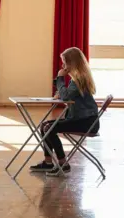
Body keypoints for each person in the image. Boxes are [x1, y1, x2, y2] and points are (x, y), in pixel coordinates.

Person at [30, 47, 99, 176]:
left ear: (72, 63)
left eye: (65, 63)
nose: (63, 66)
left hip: (86, 122)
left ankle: (63, 163)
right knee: (44, 125)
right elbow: (68, 95)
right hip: (82, 119)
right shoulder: (78, 79)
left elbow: (66, 97)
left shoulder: (79, 79)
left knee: (49, 128)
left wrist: (60, 79)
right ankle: (48, 161)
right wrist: (61, 92)